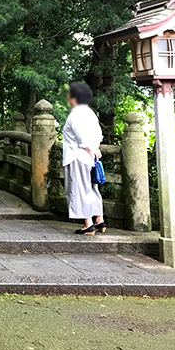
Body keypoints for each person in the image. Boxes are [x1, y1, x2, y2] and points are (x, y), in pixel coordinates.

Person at [63, 81, 106, 235]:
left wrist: (88, 147)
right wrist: (95, 149)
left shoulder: (76, 114)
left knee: (79, 189)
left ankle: (87, 224)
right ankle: (99, 220)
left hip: (77, 156)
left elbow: (81, 136)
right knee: (91, 188)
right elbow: (98, 134)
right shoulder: (90, 113)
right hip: (90, 158)